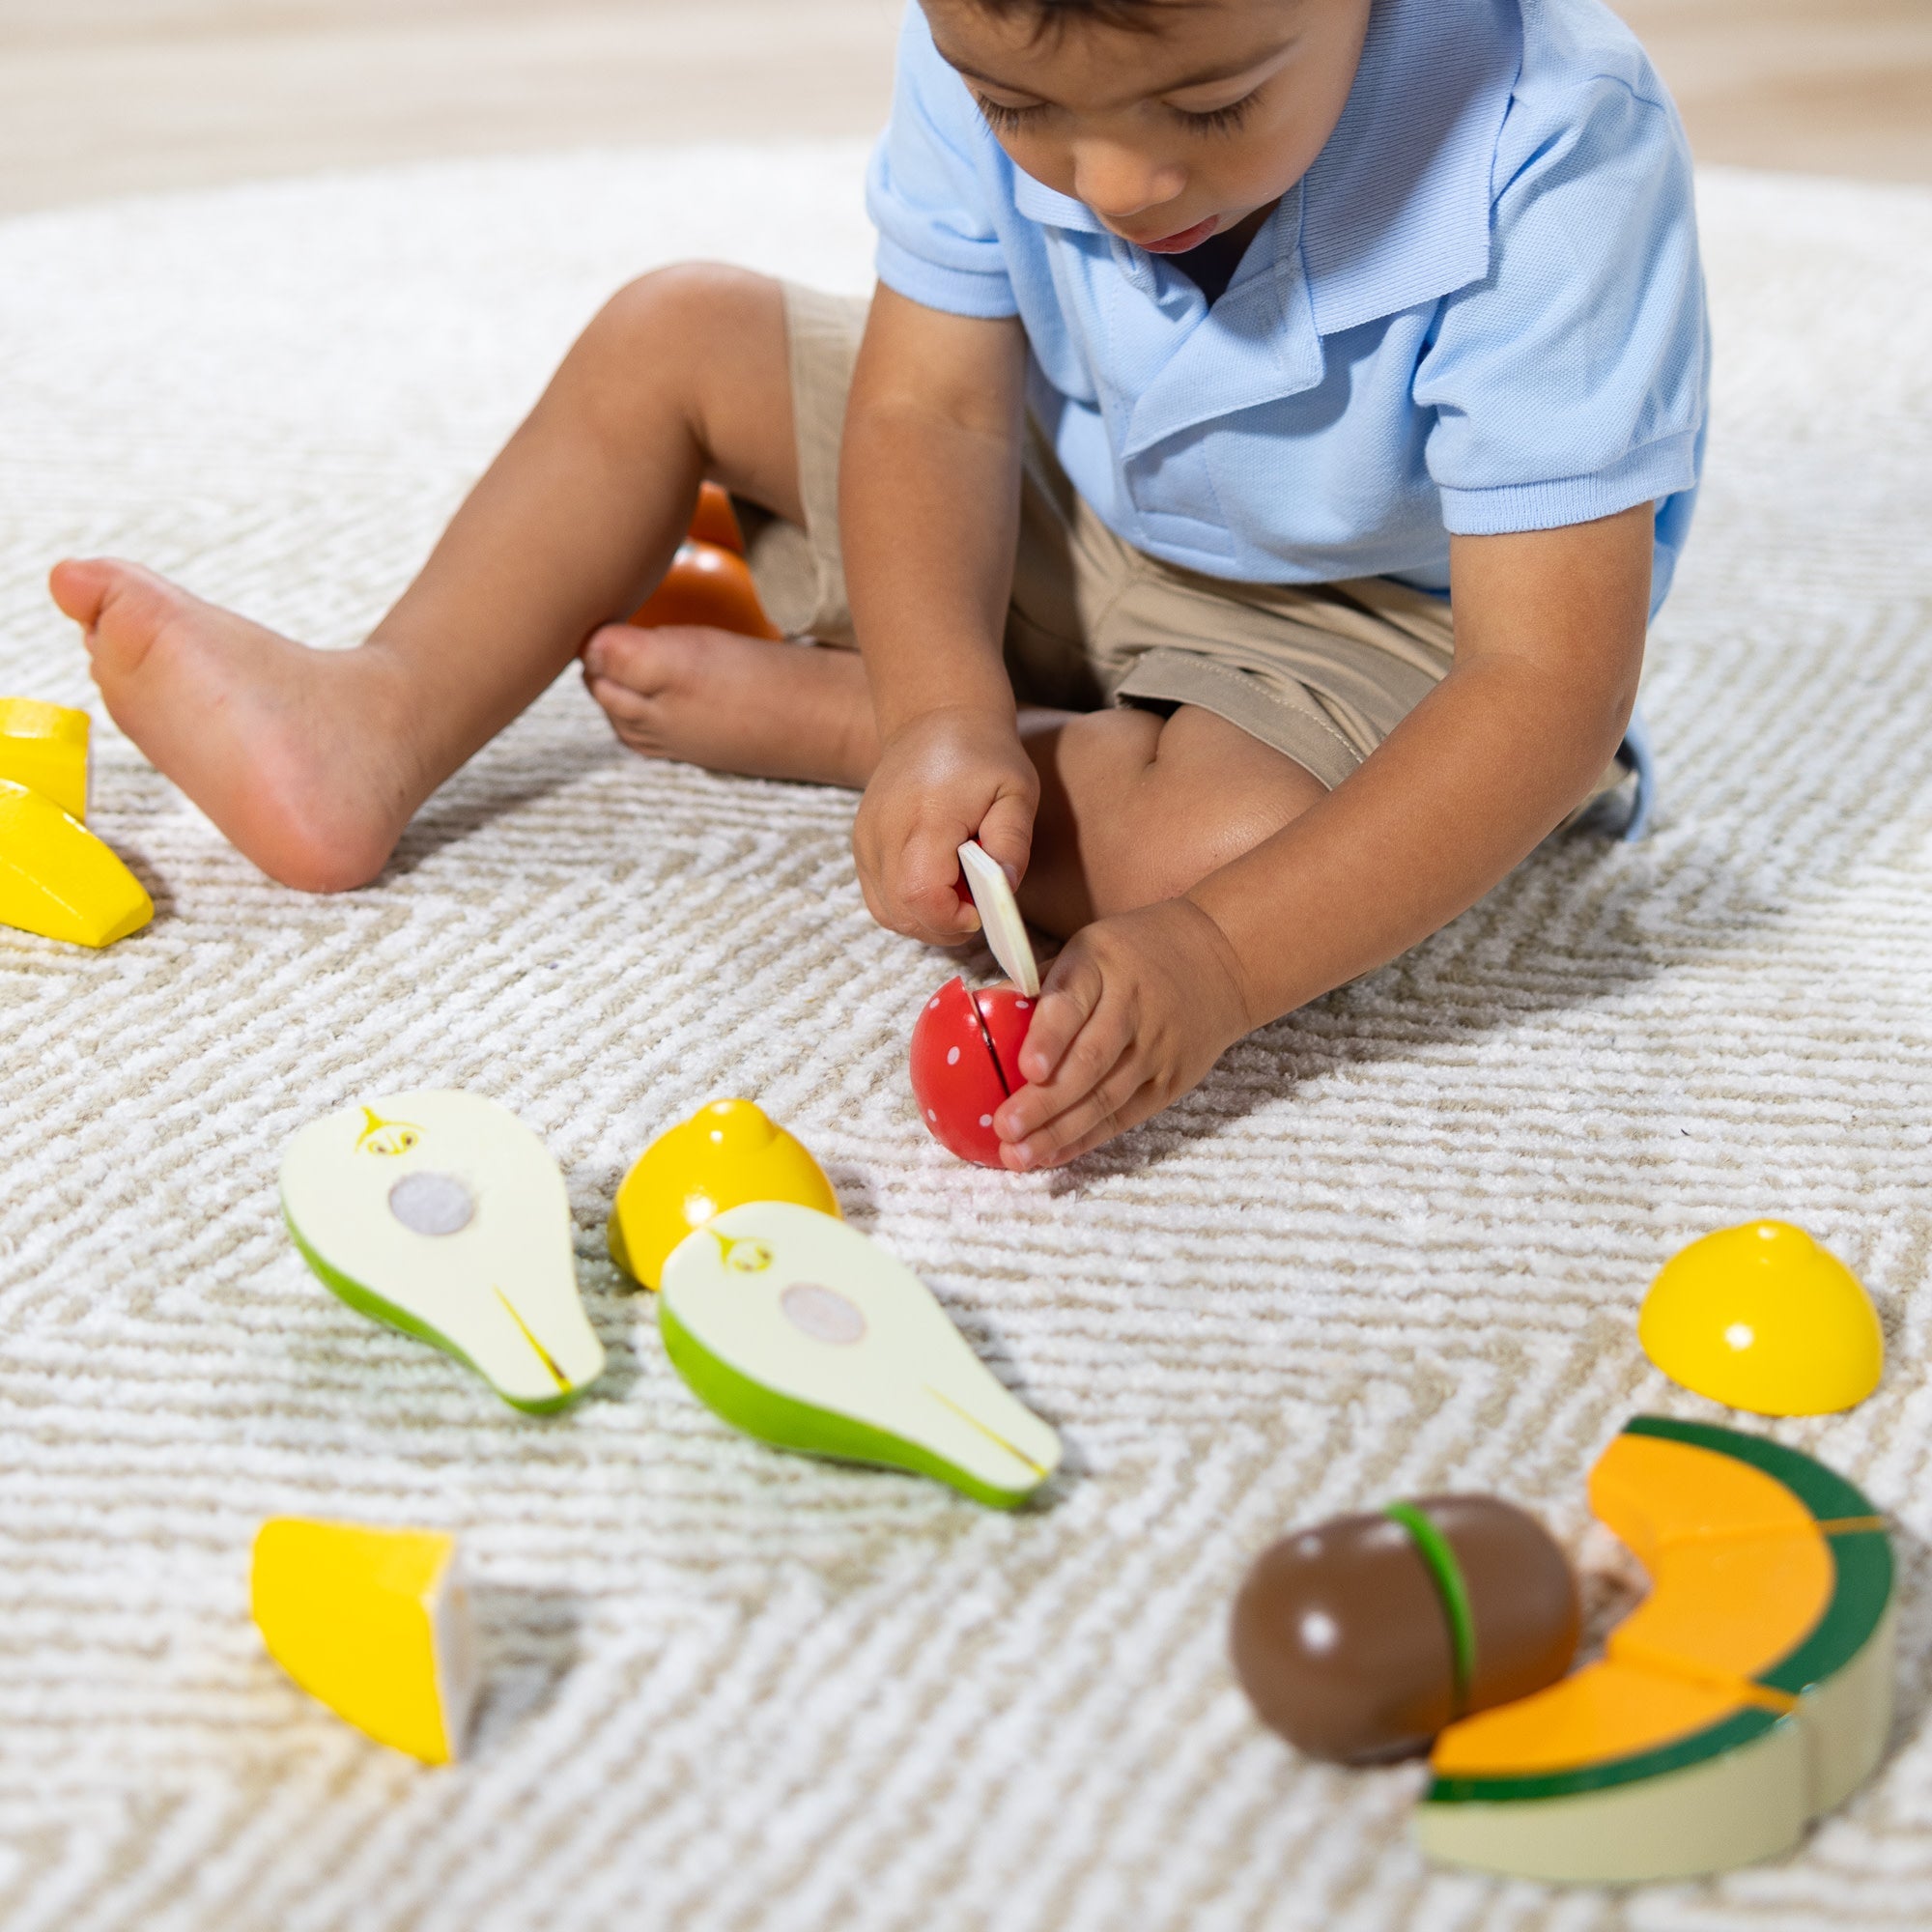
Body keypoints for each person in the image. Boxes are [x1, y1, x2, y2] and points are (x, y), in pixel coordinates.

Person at [48, 0, 1707, 1172]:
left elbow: (1546, 693)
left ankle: (860, 729)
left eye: (1208, 107)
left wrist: (1215, 961)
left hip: (1379, 622)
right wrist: (942, 703)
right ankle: (377, 713)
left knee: (1235, 858)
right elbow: (932, 405)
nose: (1115, 186)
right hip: (1078, 485)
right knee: (676, 330)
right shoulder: (990, 30)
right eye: (1021, 113)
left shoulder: (1550, 144)